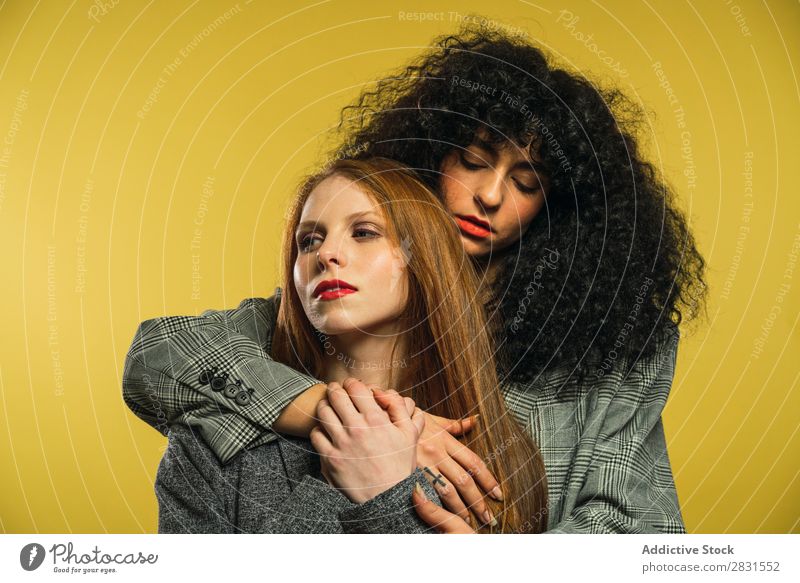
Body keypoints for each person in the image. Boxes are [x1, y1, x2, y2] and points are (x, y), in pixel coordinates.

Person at [124, 22, 706, 533]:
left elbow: (642, 537)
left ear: (558, 208)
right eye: (473, 162)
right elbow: (158, 356)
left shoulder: (612, 354)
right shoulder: (339, 305)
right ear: (428, 153)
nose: (490, 195)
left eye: (527, 181)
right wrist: (353, 415)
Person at [151, 157, 548, 533]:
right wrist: (351, 485)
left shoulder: (502, 452)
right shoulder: (207, 447)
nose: (326, 254)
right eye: (308, 240)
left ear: (421, 257)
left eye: (364, 232)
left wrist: (386, 492)